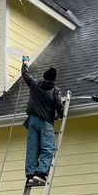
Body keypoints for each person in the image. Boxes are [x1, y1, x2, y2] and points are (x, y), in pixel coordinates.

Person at [21, 58, 64, 186]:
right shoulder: (55, 90)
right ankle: (40, 174)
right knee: (48, 148)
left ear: (44, 77)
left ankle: (30, 174)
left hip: (32, 121)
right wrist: (60, 115)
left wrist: (25, 64)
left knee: (32, 148)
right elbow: (58, 105)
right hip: (46, 122)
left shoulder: (35, 84)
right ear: (53, 80)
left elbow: (26, 75)